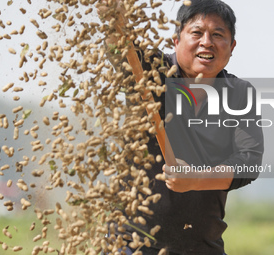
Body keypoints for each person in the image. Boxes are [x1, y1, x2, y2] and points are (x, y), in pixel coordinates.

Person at [100, 0, 264, 254]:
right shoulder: (151, 71)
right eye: (196, 33)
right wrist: (112, 12)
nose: (206, 42)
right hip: (130, 242)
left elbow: (249, 161)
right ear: (176, 41)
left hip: (200, 245)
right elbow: (120, 45)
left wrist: (196, 179)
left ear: (231, 47)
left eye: (218, 35)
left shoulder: (240, 94)